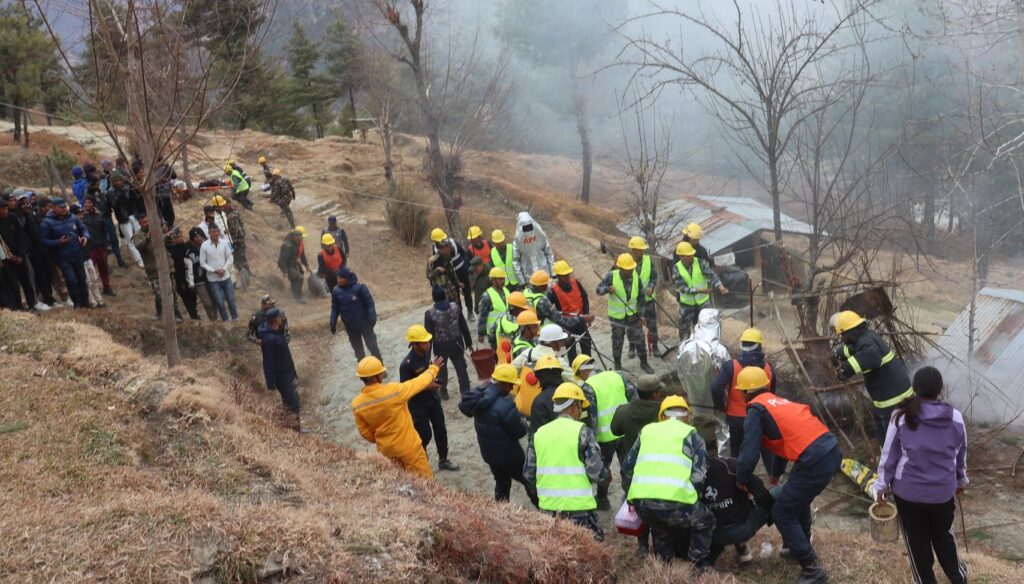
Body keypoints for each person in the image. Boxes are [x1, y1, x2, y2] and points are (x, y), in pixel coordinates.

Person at [734, 366, 840, 584]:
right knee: (795, 498)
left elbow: (749, 452)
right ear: (766, 385)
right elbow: (783, 444)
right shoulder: (778, 402)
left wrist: (741, 479)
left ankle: (811, 569)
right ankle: (796, 546)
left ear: (744, 392)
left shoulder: (755, 410)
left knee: (782, 512)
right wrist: (774, 478)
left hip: (814, 459)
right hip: (830, 450)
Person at [874, 366, 969, 584]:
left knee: (917, 542)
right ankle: (959, 578)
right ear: (940, 391)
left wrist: (880, 487)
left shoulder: (900, 415)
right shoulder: (955, 417)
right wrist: (961, 480)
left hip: (908, 495)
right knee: (944, 537)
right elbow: (960, 453)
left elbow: (889, 457)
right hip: (942, 494)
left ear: (914, 389)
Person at [621, 396, 715, 569]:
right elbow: (699, 477)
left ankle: (664, 564)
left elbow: (626, 468)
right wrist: (691, 500)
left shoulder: (647, 431)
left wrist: (630, 494)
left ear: (661, 416)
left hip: (643, 504)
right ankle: (698, 563)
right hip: (676, 503)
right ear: (687, 416)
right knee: (706, 520)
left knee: (658, 525)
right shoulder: (692, 435)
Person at [524, 383, 607, 541]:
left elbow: (528, 474)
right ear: (575, 406)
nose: (581, 412)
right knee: (590, 553)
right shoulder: (583, 432)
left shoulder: (539, 434)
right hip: (579, 510)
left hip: (548, 510)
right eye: (581, 408)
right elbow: (597, 474)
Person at [692, 415, 774, 566]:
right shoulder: (731, 465)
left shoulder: (687, 471)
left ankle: (722, 553)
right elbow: (761, 493)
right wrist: (771, 514)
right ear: (716, 441)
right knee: (777, 494)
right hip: (742, 528)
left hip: (710, 533)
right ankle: (792, 546)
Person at [352, 355, 445, 478]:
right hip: (409, 448)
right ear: (377, 376)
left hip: (387, 452)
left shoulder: (357, 404)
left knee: (401, 483)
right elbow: (418, 383)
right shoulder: (393, 391)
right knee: (425, 483)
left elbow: (366, 434)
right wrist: (433, 368)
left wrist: (383, 438)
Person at [459, 363, 537, 504]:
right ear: (504, 384)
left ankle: (500, 510)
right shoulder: (505, 405)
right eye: (511, 385)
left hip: (490, 454)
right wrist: (524, 423)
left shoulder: (480, 398)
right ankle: (542, 508)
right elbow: (519, 432)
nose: (512, 388)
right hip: (511, 456)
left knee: (501, 481)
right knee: (529, 481)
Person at [833, 310, 915, 444]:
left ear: (851, 331)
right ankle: (885, 462)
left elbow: (872, 357)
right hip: (888, 401)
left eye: (843, 335)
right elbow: (852, 349)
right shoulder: (865, 338)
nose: (843, 339)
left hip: (895, 403)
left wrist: (845, 368)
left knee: (893, 443)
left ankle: (890, 463)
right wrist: (838, 354)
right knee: (884, 440)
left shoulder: (868, 343)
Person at [610, 374, 665, 557]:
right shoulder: (663, 413)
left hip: (632, 471)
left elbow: (614, 430)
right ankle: (659, 546)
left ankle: (642, 545)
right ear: (656, 394)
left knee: (639, 508)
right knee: (658, 510)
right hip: (658, 470)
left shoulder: (624, 411)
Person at [710, 327, 777, 461]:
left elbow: (716, 388)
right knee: (768, 451)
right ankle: (773, 477)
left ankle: (738, 478)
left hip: (736, 419)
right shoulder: (769, 369)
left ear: (741, 345)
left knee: (737, 454)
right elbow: (772, 395)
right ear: (759, 346)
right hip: (761, 417)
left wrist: (722, 407)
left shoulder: (731, 366)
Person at [400, 325, 459, 472]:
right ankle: (422, 464)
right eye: (424, 342)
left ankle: (443, 459)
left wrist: (434, 374)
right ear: (414, 345)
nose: (428, 344)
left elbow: (428, 371)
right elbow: (406, 388)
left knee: (441, 429)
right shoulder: (406, 365)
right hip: (418, 405)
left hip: (433, 400)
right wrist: (428, 385)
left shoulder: (426, 354)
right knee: (423, 436)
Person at [580, 368, 639, 509]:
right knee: (628, 465)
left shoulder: (588, 386)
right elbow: (634, 396)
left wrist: (591, 440)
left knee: (603, 468)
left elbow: (591, 416)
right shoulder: (617, 376)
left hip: (604, 437)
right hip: (624, 430)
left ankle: (602, 499)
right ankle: (630, 497)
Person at [596, 253, 654, 374]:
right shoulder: (611, 276)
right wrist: (607, 289)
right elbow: (598, 290)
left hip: (633, 314)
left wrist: (642, 314)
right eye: (627, 269)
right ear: (620, 268)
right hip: (617, 317)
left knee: (640, 338)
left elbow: (641, 297)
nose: (630, 271)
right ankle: (617, 364)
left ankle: (644, 362)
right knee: (617, 340)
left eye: (631, 268)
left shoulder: (636, 278)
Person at [39, 198, 90, 309]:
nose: (64, 209)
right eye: (61, 207)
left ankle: (86, 303)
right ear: (54, 208)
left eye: (65, 207)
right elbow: (43, 240)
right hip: (62, 257)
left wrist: (85, 237)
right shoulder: (46, 223)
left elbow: (83, 229)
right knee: (71, 280)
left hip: (77, 253)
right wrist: (58, 242)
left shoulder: (73, 217)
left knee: (82, 278)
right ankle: (77, 304)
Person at [672, 241, 728, 341]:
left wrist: (720, 286)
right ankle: (686, 348)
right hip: (687, 304)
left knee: (708, 325)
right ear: (681, 256)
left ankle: (707, 345)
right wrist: (700, 290)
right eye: (688, 256)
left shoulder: (699, 262)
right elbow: (682, 288)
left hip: (703, 303)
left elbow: (711, 275)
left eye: (691, 255)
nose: (691, 257)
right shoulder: (677, 268)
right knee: (684, 329)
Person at [424, 285, 473, 399]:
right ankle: (466, 393)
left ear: (433, 298)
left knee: (441, 371)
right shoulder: (455, 307)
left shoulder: (430, 314)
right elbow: (463, 325)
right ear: (445, 295)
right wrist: (468, 342)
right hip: (457, 344)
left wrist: (426, 357)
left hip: (441, 347)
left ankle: (443, 390)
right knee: (461, 369)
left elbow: (428, 337)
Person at [132, 215, 183, 320]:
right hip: (153, 270)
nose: (146, 223)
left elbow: (170, 243)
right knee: (159, 294)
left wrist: (166, 235)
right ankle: (160, 313)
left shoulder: (158, 230)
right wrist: (148, 237)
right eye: (144, 222)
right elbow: (139, 246)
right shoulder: (138, 235)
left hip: (167, 266)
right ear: (139, 223)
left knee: (173, 291)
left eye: (147, 221)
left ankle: (177, 314)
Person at [260, 307, 301, 431]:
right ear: (275, 319)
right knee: (293, 403)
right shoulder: (270, 339)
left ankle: (293, 426)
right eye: (279, 316)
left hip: (287, 374)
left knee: (291, 401)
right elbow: (268, 362)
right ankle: (294, 429)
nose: (281, 318)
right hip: (282, 377)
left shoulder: (276, 332)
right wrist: (271, 384)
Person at [0, 197, 42, 311]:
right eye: (2, 209)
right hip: (6, 259)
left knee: (26, 281)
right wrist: (9, 257)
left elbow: (20, 237)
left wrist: (19, 254)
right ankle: (17, 307)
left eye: (5, 209)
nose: (4, 211)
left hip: (19, 254)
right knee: (13, 284)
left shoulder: (12, 218)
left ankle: (32, 305)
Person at [330, 267, 381, 360]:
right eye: (337, 278)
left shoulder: (360, 288)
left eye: (341, 278)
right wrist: (332, 322)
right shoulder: (336, 291)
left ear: (347, 278)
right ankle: (364, 373)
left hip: (365, 324)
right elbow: (335, 308)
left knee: (373, 347)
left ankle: (380, 369)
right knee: (358, 352)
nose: (338, 280)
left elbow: (369, 303)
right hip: (350, 327)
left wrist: (372, 318)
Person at [547, 259, 594, 361]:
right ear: (558, 276)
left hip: (581, 321)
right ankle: (574, 371)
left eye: (568, 274)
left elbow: (584, 298)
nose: (567, 277)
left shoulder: (576, 282)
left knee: (587, 347)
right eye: (564, 275)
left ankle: (588, 367)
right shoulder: (553, 291)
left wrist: (586, 316)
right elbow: (549, 310)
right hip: (567, 327)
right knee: (571, 352)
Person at [15, 191, 56, 306]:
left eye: (26, 199)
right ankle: (40, 299)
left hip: (41, 246)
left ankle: (49, 297)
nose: (25, 202)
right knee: (38, 275)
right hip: (30, 249)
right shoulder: (19, 215)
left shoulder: (31, 212)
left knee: (47, 272)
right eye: (21, 200)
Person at [199, 223, 238, 321]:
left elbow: (230, 257)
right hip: (213, 279)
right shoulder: (204, 246)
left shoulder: (224, 243)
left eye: (217, 231)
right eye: (214, 232)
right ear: (209, 232)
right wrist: (213, 270)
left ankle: (235, 319)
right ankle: (225, 320)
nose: (216, 234)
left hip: (226, 276)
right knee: (220, 303)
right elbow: (202, 263)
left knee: (231, 300)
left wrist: (224, 269)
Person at [628, 236, 659, 358]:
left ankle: (655, 347)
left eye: (642, 250)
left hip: (648, 300)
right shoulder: (626, 262)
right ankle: (632, 347)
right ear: (633, 250)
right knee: (633, 327)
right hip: (633, 302)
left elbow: (654, 277)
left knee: (652, 325)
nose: (642, 252)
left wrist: (651, 287)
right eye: (639, 250)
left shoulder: (648, 260)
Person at [107, 171, 145, 267]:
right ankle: (139, 259)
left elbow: (135, 200)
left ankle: (144, 255)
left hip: (134, 215)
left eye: (120, 180)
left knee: (140, 235)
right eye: (116, 181)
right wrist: (119, 194)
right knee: (130, 240)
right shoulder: (110, 192)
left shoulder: (128, 187)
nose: (119, 182)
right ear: (112, 182)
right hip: (123, 219)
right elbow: (114, 204)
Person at [428, 228, 470, 316]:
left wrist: (458, 284)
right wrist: (437, 271)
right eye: (448, 248)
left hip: (453, 288)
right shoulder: (432, 260)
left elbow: (452, 273)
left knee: (457, 308)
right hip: (443, 291)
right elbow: (429, 276)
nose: (450, 250)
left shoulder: (449, 256)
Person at [527, 355, 572, 435]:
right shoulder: (572, 392)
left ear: (539, 376)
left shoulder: (539, 402)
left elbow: (536, 435)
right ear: (559, 372)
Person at [80, 197, 115, 296]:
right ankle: (92, 293)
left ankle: (107, 288)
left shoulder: (100, 215)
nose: (87, 204)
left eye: (89, 202)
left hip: (101, 246)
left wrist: (106, 243)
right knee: (91, 271)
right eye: (85, 202)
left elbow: (105, 230)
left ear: (93, 203)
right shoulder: (81, 216)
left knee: (104, 268)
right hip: (89, 248)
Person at [511, 212, 555, 286]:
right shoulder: (517, 242)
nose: (528, 229)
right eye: (525, 227)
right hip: (530, 278)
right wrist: (522, 281)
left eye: (529, 226)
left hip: (544, 275)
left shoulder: (541, 236)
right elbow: (516, 261)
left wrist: (553, 273)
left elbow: (549, 254)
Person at [183, 228, 217, 320]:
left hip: (210, 278)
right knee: (207, 303)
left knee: (215, 299)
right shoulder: (188, 253)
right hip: (199, 282)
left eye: (200, 236)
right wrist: (191, 285)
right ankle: (212, 319)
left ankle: (216, 319)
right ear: (192, 239)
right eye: (197, 237)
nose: (200, 238)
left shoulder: (206, 247)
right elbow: (188, 270)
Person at [477, 267, 510, 348]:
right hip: (494, 334)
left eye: (503, 278)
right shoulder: (487, 296)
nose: (503, 281)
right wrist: (481, 334)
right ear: (493, 280)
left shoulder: (506, 291)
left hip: (508, 330)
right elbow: (482, 316)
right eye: (500, 279)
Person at [220, 199, 249, 285]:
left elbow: (240, 224)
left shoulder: (235, 212)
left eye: (227, 204)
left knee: (242, 255)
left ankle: (247, 272)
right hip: (232, 240)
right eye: (224, 204)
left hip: (240, 237)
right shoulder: (223, 216)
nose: (226, 206)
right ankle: (242, 276)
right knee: (236, 259)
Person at [277, 228, 308, 302]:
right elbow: (281, 260)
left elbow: (302, 255)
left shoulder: (298, 243)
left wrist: (306, 265)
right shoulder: (288, 246)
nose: (299, 238)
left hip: (293, 263)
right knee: (299, 278)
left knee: (300, 273)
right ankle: (298, 297)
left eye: (300, 236)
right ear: (293, 236)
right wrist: (285, 271)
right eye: (297, 236)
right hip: (287, 266)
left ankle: (295, 290)